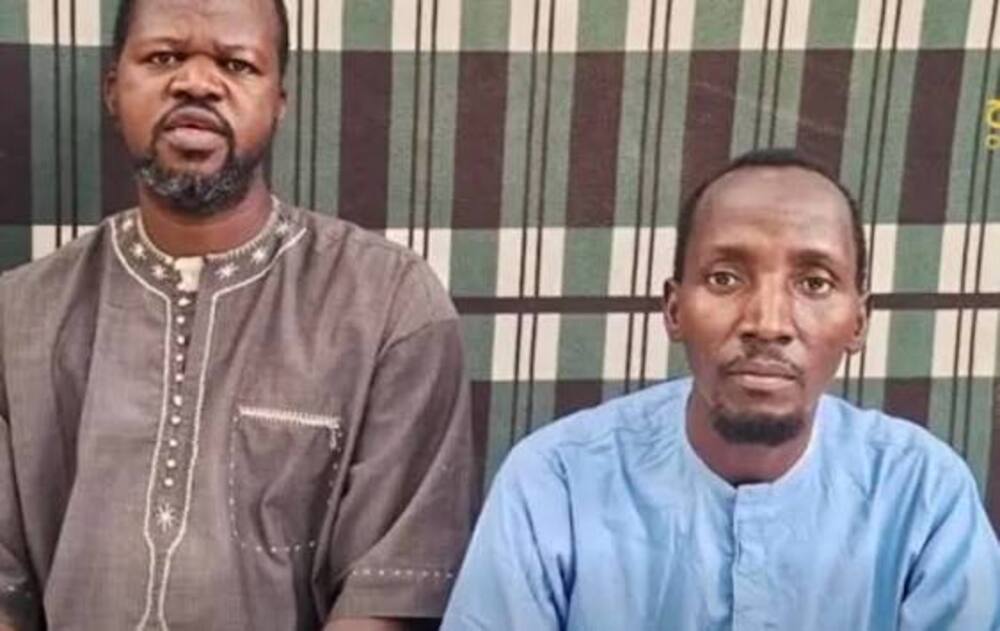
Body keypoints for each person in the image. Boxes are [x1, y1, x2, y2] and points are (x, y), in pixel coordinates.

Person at [0, 0, 481, 629]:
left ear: (278, 101)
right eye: (164, 57)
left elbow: (385, 601)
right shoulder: (19, 314)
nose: (197, 82)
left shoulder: (389, 306)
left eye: (236, 64)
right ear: (113, 89)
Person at [441, 148, 1000, 630]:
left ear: (858, 321)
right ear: (674, 309)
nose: (768, 323)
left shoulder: (923, 495)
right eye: (725, 278)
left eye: (814, 283)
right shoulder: (555, 482)